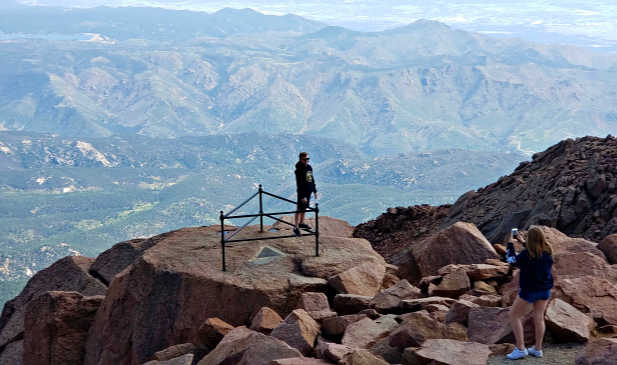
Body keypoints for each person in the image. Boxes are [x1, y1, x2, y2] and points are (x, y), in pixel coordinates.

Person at [505, 226, 554, 360]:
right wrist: (521, 242)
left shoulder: (526, 256)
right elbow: (534, 250)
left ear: (530, 239)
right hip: (545, 290)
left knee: (514, 315)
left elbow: (510, 260)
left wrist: (510, 243)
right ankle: (537, 348)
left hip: (529, 291)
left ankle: (521, 348)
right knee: (539, 317)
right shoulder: (548, 252)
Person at [294, 152, 317, 236]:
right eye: (305, 159)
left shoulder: (309, 167)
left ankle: (301, 222)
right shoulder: (299, 170)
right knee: (299, 208)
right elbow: (299, 183)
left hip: (308, 190)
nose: (307, 160)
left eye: (308, 159)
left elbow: (311, 179)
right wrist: (303, 195)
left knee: (305, 207)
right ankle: (296, 226)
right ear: (301, 159)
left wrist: (314, 190)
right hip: (302, 191)